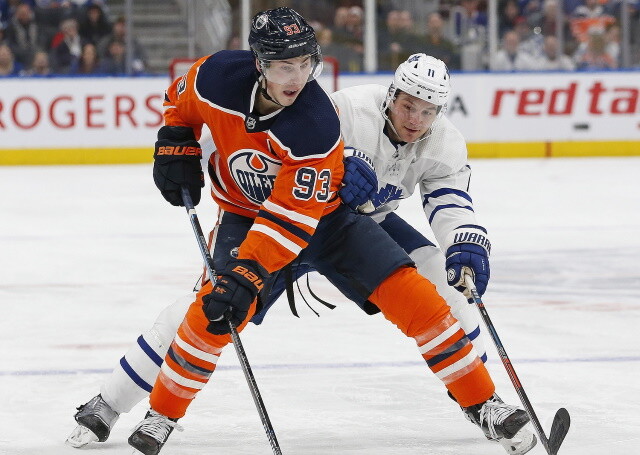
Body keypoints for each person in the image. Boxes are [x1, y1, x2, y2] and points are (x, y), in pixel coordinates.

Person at [67, 8, 533, 455]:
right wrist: (175, 139)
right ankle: (111, 403)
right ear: (259, 63)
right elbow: (180, 100)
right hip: (251, 218)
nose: (295, 78)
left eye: (304, 65)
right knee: (203, 312)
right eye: (282, 66)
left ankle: (482, 401)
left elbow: (301, 217)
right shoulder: (233, 82)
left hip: (328, 222)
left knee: (427, 292)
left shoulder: (320, 122)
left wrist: (466, 242)